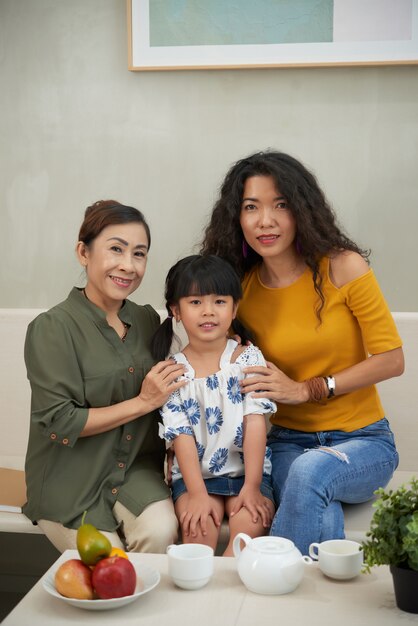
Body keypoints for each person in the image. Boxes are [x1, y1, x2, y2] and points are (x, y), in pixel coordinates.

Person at [200, 150, 404, 555]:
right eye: (251, 207)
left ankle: (273, 598)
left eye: (281, 205)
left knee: (311, 472)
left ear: (302, 211)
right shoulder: (242, 292)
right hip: (289, 443)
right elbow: (216, 368)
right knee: (314, 495)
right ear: (237, 218)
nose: (265, 221)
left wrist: (307, 389)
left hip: (363, 441)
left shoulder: (343, 267)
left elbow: (392, 360)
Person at [23, 200, 187, 553]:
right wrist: (143, 401)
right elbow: (60, 421)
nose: (128, 266)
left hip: (135, 472)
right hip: (70, 480)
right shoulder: (53, 328)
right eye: (116, 249)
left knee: (161, 533)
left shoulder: (147, 320)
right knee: (108, 563)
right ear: (84, 252)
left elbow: (174, 390)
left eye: (139, 254)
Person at [151, 254, 276, 556]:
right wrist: (195, 493)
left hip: (246, 474)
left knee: (246, 535)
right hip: (195, 479)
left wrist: (253, 485)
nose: (208, 311)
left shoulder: (247, 359)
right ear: (175, 310)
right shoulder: (172, 372)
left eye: (219, 302)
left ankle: (229, 601)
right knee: (198, 537)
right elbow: (181, 437)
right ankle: (201, 601)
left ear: (234, 308)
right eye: (195, 302)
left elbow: (256, 422)